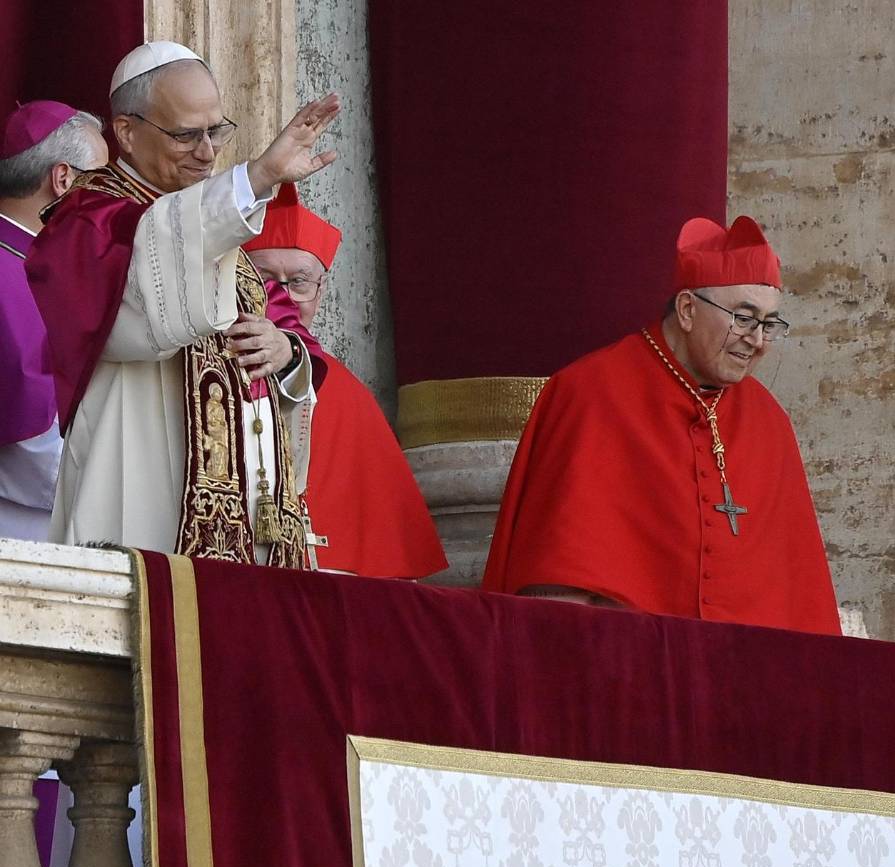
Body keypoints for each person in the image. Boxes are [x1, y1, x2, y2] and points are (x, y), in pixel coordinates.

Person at [25, 41, 339, 566]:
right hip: (147, 497)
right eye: (187, 135)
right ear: (126, 132)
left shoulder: (220, 229)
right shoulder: (89, 220)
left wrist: (284, 351)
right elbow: (145, 309)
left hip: (253, 520)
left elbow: (294, 336)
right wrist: (257, 178)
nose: (208, 152)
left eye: (217, 131)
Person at [483, 215, 841, 634]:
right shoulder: (591, 394)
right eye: (744, 318)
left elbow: (799, 594)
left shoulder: (769, 422)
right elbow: (558, 577)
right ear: (688, 310)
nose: (757, 340)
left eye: (769, 323)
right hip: (626, 666)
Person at [244, 185, 447, 578]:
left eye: (299, 282)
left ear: (320, 293)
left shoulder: (350, 395)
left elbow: (392, 568)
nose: (281, 297)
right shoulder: (201, 369)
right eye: (264, 278)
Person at [0, 101, 107, 540]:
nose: (112, 200)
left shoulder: (37, 264)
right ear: (63, 180)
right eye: (103, 181)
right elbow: (32, 440)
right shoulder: (11, 274)